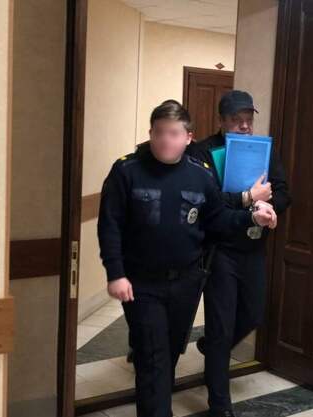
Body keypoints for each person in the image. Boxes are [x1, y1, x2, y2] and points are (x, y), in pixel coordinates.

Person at [97, 100, 278, 417]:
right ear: (151, 133)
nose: (165, 140)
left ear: (188, 137)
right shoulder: (127, 171)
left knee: (167, 355)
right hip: (142, 284)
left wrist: (252, 217)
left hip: (186, 282)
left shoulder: (200, 175)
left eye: (173, 134)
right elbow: (110, 225)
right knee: (152, 357)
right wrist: (116, 273)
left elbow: (218, 219)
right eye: (159, 133)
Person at [187, 90, 292, 417]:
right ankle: (220, 404)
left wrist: (268, 205)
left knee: (253, 314)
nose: (245, 125)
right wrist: (248, 197)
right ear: (222, 121)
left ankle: (211, 349)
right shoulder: (203, 152)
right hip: (220, 251)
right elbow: (206, 201)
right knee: (221, 327)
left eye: (248, 119)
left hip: (253, 248)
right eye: (237, 119)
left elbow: (284, 191)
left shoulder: (264, 149)